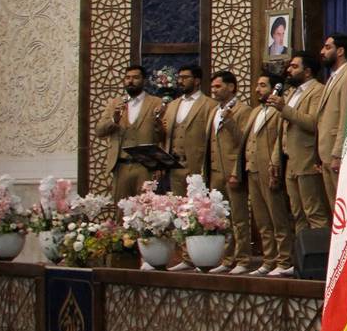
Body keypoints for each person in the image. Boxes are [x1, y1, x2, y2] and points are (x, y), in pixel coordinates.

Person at [268, 52, 327, 277]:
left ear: (307, 71)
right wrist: (275, 159)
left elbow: (313, 123)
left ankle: (321, 262)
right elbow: (284, 129)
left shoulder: (317, 91)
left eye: (294, 66)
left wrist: (284, 108)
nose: (289, 70)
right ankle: (303, 260)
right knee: (298, 214)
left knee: (314, 213)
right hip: (290, 161)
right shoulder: (292, 92)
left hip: (308, 160)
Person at [161, 64, 216, 271]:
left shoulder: (208, 104)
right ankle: (185, 256)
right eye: (180, 77)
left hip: (197, 165)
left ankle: (201, 256)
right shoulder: (173, 105)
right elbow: (165, 135)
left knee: (198, 211)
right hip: (175, 165)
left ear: (197, 80)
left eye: (185, 77)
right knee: (179, 212)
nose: (181, 81)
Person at [93, 64, 166, 201]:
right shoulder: (115, 103)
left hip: (146, 167)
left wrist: (159, 166)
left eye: (135, 78)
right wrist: (114, 120)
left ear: (144, 81)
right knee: (121, 209)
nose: (130, 81)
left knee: (146, 208)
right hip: (121, 166)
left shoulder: (156, 103)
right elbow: (99, 131)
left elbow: (163, 136)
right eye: (127, 78)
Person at [245, 74, 292, 276]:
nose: (258, 89)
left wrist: (275, 165)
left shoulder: (279, 110)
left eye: (263, 85)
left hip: (270, 169)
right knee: (262, 219)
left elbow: (280, 140)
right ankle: (268, 259)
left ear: (274, 88)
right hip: (252, 168)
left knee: (277, 217)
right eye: (257, 85)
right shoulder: (256, 111)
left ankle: (284, 260)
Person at [207, 71, 253, 273]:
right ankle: (226, 259)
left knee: (239, 217)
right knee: (221, 218)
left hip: (233, 171)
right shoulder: (214, 110)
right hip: (215, 172)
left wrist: (230, 121)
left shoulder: (243, 110)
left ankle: (243, 259)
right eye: (213, 87)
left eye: (218, 86)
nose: (214, 90)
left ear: (231, 87)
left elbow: (245, 142)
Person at [316, 33, 347, 206]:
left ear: (340, 51)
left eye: (327, 47)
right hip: (326, 153)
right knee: (335, 209)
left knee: (346, 206)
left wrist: (338, 154)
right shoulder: (333, 77)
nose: (322, 51)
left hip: (338, 154)